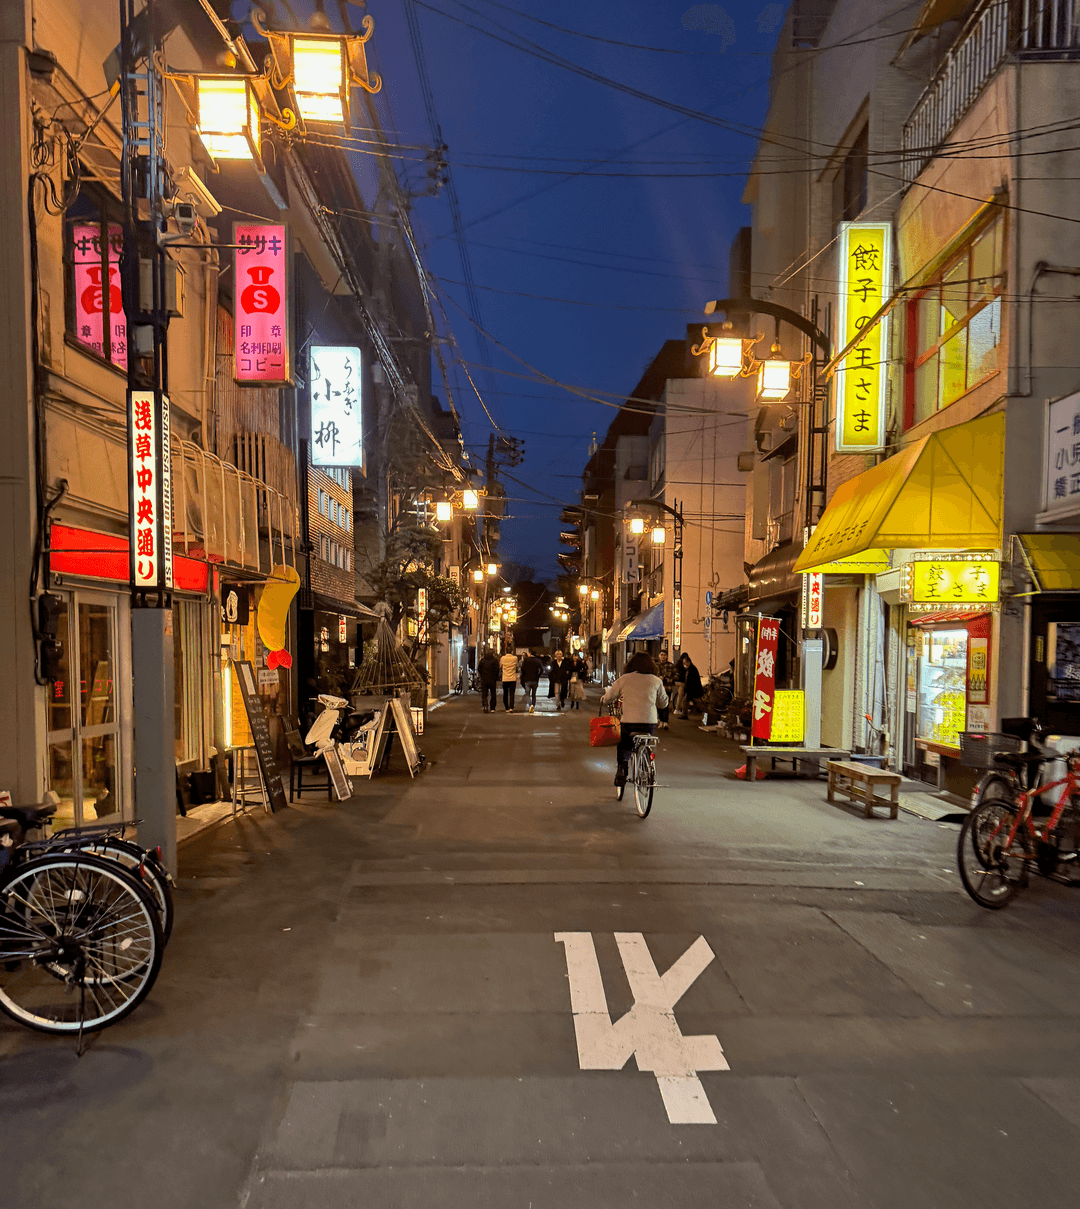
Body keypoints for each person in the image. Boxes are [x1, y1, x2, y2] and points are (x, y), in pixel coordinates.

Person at [601, 651, 669, 787]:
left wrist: (603, 699)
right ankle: (646, 766)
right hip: (649, 723)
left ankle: (622, 770)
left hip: (629, 722)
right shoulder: (656, 681)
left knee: (624, 745)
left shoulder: (624, 679)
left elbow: (609, 697)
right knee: (646, 742)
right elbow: (663, 703)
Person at [675, 652, 704, 718]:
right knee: (692, 701)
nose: (684, 665)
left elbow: (691, 681)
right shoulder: (691, 669)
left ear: (688, 662)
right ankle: (685, 714)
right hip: (693, 689)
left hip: (693, 689)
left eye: (685, 663)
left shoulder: (691, 670)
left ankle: (685, 715)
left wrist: (687, 690)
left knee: (686, 701)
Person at [655, 651, 675, 730]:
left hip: (667, 687)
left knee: (666, 704)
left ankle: (665, 722)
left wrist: (665, 677)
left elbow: (675, 675)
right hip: (658, 688)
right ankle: (661, 721)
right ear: (659, 656)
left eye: (664, 655)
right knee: (659, 705)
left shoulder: (671, 665)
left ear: (667, 656)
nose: (663, 656)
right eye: (661, 655)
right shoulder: (656, 665)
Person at [477, 647, 500, 713]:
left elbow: (479, 669)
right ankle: (492, 708)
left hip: (484, 679)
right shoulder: (494, 660)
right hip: (492, 679)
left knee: (484, 694)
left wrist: (482, 675)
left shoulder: (482, 660)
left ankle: (485, 705)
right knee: (493, 693)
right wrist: (495, 677)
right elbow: (497, 670)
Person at [499, 648, 521, 712]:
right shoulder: (515, 658)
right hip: (512, 678)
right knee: (512, 694)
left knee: (505, 694)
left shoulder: (502, 658)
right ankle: (511, 707)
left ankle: (506, 707)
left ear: (505, 651)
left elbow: (500, 666)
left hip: (505, 678)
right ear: (511, 651)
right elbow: (517, 666)